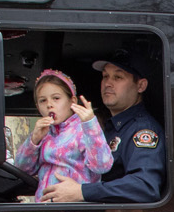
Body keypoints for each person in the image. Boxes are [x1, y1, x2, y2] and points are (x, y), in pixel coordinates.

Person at [42, 49, 165, 203]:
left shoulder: (142, 130)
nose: (108, 83)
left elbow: (145, 186)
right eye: (105, 76)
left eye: (118, 77)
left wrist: (82, 192)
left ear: (140, 85)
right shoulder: (106, 128)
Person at [13, 69, 111, 201]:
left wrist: (90, 124)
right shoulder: (44, 132)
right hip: (45, 207)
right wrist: (34, 140)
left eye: (56, 98)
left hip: (76, 207)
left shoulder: (84, 129)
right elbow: (21, 169)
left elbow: (102, 166)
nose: (49, 105)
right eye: (43, 100)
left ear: (72, 101)